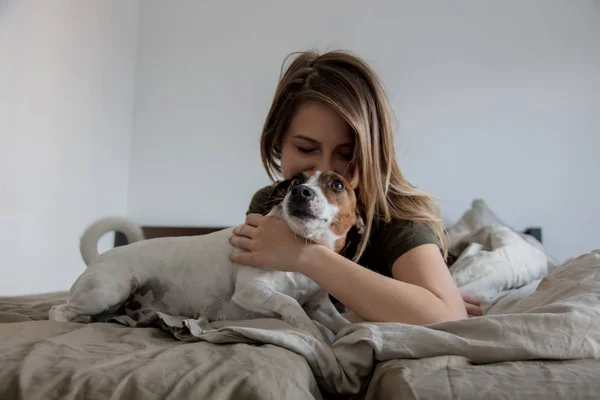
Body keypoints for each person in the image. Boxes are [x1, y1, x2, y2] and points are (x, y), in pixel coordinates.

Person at [228, 49, 482, 324]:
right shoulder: (272, 202)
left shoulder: (398, 218)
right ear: (278, 143)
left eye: (346, 154)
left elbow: (447, 317)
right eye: (305, 147)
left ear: (374, 157)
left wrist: (305, 256)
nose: (325, 167)